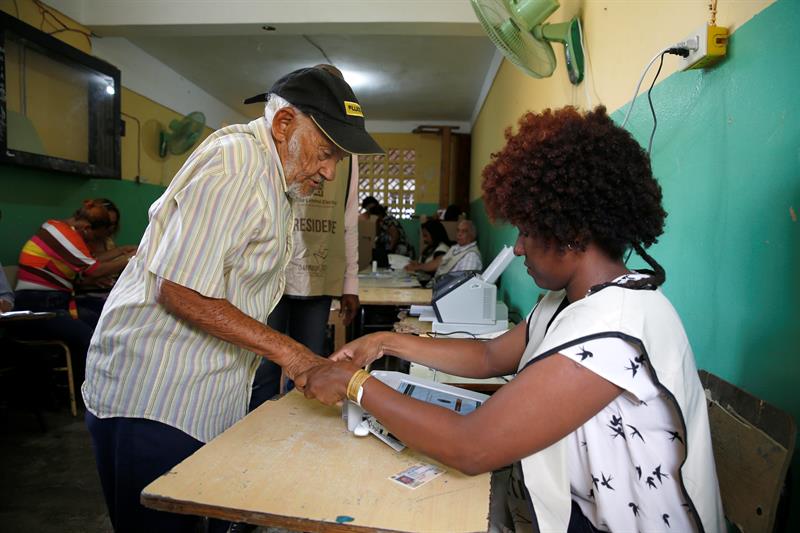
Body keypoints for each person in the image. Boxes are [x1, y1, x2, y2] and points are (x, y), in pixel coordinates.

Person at [296, 107, 725, 533]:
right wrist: (385, 342)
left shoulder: (618, 323)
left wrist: (354, 384)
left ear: (569, 230)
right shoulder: (569, 301)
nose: (517, 249)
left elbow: (472, 447)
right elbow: (488, 355)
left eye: (526, 232)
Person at [81, 67, 382, 532]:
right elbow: (178, 288)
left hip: (200, 392)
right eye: (326, 154)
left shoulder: (275, 176)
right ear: (284, 125)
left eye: (337, 160)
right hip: (157, 393)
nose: (329, 171)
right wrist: (294, 355)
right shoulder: (236, 164)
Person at [249, 64, 362, 410]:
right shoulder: (263, 154)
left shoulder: (346, 158)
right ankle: (256, 430)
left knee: (310, 364)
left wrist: (350, 284)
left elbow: (348, 219)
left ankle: (295, 436)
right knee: (263, 365)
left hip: (316, 272)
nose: (328, 170)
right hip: (273, 274)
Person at [13, 201, 134, 384]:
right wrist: (130, 259)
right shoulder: (65, 236)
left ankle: (102, 386)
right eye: (94, 238)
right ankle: (87, 390)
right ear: (86, 228)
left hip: (53, 302)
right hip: (38, 307)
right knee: (89, 336)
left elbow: (89, 262)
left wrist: (121, 252)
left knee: (100, 323)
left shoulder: (59, 229)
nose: (91, 243)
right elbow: (93, 270)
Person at [404, 219, 452, 287]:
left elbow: (437, 264)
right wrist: (417, 264)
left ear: (434, 234)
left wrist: (417, 267)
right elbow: (427, 263)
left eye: (426, 235)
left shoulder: (442, 247)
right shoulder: (431, 248)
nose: (424, 239)